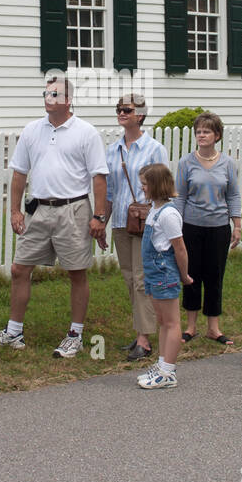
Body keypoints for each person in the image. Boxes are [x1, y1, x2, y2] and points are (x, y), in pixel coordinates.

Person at [0, 76, 109, 358]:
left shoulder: (86, 132)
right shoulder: (31, 130)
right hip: (37, 209)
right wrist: (15, 210)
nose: (49, 98)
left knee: (76, 272)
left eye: (55, 94)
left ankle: (75, 334)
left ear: (68, 100)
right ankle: (14, 332)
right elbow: (19, 173)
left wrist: (99, 216)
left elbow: (98, 176)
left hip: (73, 209)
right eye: (46, 93)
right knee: (19, 269)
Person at [105, 93, 168, 361]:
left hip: (146, 224)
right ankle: (140, 331)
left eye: (127, 110)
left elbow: (163, 189)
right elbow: (109, 191)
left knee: (143, 278)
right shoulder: (113, 149)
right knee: (130, 278)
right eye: (119, 109)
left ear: (140, 115)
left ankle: (145, 339)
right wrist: (101, 222)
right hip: (121, 221)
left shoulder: (154, 149)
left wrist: (158, 221)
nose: (121, 113)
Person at [174, 111, 242, 345]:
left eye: (206, 131)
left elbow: (233, 194)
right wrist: (177, 228)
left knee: (215, 276)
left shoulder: (227, 163)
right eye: (198, 131)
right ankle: (191, 327)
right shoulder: (186, 162)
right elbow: (179, 197)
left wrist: (238, 224)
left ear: (217, 135)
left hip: (218, 228)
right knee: (191, 276)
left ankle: (214, 328)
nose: (201, 135)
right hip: (191, 227)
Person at [135, 163, 192, 389]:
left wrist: (184, 275)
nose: (142, 188)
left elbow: (179, 248)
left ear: (157, 186)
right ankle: (161, 364)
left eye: (145, 184)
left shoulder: (168, 214)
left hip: (163, 271)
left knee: (171, 322)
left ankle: (168, 371)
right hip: (152, 272)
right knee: (162, 322)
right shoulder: (154, 210)